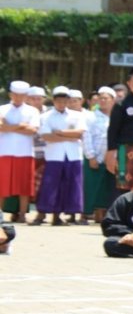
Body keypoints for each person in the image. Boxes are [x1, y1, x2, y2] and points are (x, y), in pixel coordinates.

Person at [35, 86, 87, 226]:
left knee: (72, 184)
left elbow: (80, 133)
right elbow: (46, 136)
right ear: (54, 100)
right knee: (51, 185)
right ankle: (44, 213)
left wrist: (59, 133)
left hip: (73, 155)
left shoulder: (77, 115)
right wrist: (69, 136)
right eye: (59, 100)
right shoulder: (45, 116)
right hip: (54, 155)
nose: (62, 104)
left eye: (65, 100)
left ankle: (67, 214)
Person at [0, 80, 40, 224]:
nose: (18, 98)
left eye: (22, 95)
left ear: (26, 96)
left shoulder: (32, 111)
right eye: (16, 95)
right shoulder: (2, 109)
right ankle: (0, 215)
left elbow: (33, 130)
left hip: (25, 152)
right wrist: (20, 126)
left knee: (24, 185)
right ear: (11, 94)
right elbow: (0, 128)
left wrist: (8, 126)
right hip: (4, 151)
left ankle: (22, 214)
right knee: (2, 184)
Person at [82, 86, 117, 224]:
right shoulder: (90, 116)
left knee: (106, 188)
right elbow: (86, 136)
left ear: (113, 100)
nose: (102, 101)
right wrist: (90, 156)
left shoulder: (117, 117)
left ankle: (102, 215)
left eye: (105, 98)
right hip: (94, 157)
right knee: (90, 187)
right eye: (100, 98)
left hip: (111, 158)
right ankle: (85, 214)